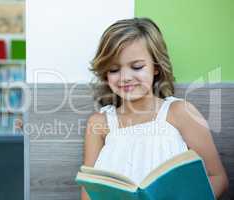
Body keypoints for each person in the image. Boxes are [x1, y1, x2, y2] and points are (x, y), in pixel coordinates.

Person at [81, 17, 228, 200]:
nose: (125, 77)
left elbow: (217, 177)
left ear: (156, 67)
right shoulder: (99, 123)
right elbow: (89, 191)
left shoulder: (180, 113)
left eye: (137, 67)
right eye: (113, 69)